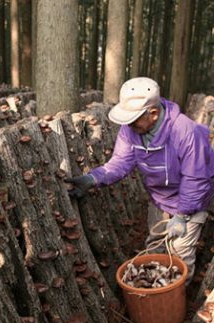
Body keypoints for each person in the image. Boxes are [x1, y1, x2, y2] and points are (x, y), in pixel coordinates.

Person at [66, 77, 214, 283]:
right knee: (156, 243)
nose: (128, 124)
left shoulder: (185, 131)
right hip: (160, 197)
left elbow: (196, 178)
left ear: (153, 114)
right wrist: (93, 178)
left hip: (191, 200)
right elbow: (120, 162)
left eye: (134, 119)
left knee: (180, 250)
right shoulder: (131, 130)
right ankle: (155, 288)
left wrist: (182, 215)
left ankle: (176, 296)